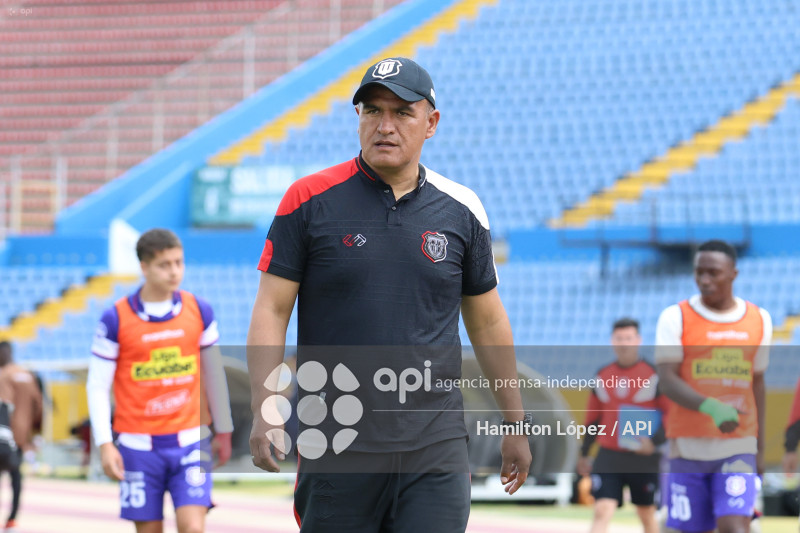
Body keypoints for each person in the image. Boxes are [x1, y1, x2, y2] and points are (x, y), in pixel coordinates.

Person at [247, 57, 532, 532]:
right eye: (372, 111)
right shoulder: (308, 199)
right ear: (357, 118)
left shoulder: (462, 209)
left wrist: (516, 423)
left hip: (434, 443)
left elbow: (487, 323)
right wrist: (265, 408)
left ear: (431, 123)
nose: (385, 126)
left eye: (402, 112)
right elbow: (272, 310)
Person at [86, 228, 234, 533]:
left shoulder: (199, 310)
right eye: (164, 264)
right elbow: (97, 385)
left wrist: (224, 429)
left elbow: (214, 373)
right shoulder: (115, 318)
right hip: (138, 447)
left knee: (192, 528)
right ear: (144, 267)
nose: (174, 271)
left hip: (192, 442)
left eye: (179, 262)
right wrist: (104, 443)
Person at [655, 240, 771, 533]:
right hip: (688, 447)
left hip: (738, 445)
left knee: (735, 526)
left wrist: (760, 447)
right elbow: (667, 380)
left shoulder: (759, 320)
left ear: (733, 273)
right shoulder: (675, 317)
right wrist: (712, 407)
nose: (704, 280)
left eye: (713, 273)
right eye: (699, 272)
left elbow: (757, 383)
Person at [578, 318, 669, 533]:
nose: (624, 343)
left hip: (643, 456)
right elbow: (593, 418)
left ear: (638, 340)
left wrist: (654, 442)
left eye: (629, 338)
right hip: (609, 455)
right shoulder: (603, 375)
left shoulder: (654, 375)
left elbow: (670, 414)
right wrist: (584, 452)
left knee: (646, 513)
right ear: (612, 341)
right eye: (619, 338)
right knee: (602, 508)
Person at [0, 341, 43, 532]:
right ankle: (12, 520)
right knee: (16, 478)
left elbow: (3, 406)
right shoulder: (28, 375)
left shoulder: (4, 375)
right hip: (21, 436)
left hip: (4, 435)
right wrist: (35, 433)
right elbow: (39, 407)